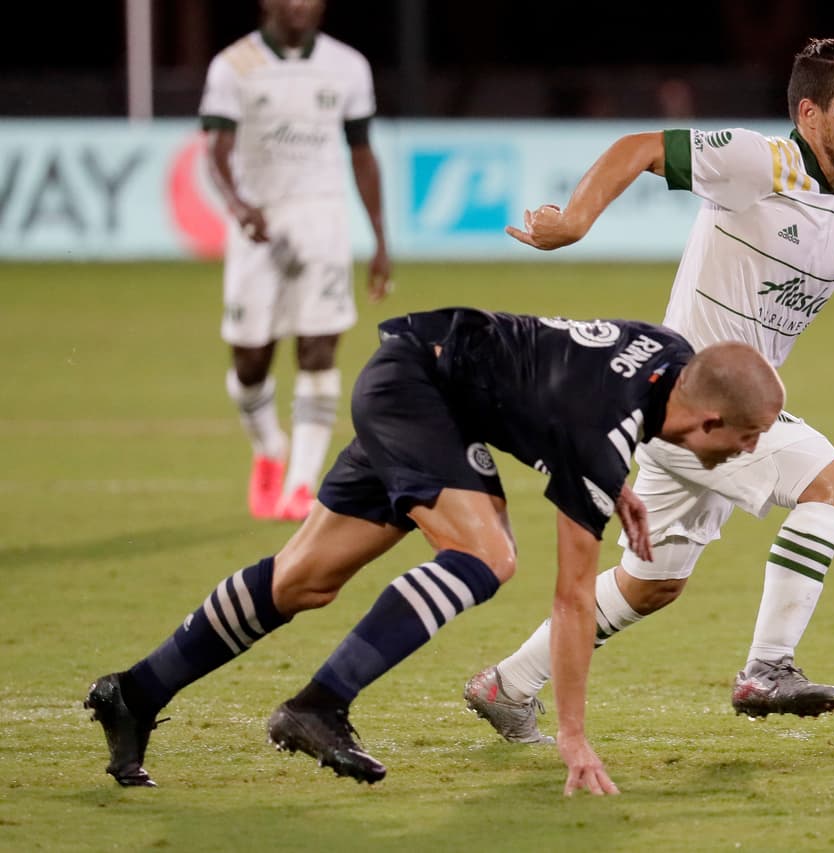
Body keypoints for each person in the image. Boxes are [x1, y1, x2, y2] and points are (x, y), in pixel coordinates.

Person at [463, 38, 834, 745]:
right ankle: (768, 666)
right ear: (810, 114)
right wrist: (573, 219)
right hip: (696, 400)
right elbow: (639, 146)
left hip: (704, 416)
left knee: (652, 582)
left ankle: (506, 685)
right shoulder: (760, 161)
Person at [84, 307, 786, 795]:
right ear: (710, 417)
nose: (747, 451)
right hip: (421, 394)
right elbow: (572, 597)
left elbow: (559, 381)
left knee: (303, 579)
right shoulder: (603, 432)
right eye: (747, 437)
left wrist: (617, 488)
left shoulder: (668, 356)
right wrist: (574, 736)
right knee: (487, 556)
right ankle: (319, 703)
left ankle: (135, 691)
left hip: (422, 378)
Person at [200, 0, 392, 521]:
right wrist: (239, 204)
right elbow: (214, 150)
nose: (300, 5)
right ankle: (269, 448)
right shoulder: (233, 66)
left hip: (322, 222)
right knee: (250, 360)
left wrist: (379, 238)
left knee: (318, 349)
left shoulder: (348, 66)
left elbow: (361, 152)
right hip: (258, 222)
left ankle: (301, 486)